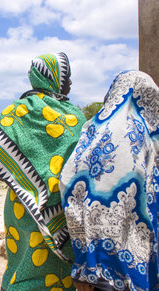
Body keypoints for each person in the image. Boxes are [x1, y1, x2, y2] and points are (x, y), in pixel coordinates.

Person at [0, 52, 86, 290]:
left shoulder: (17, 110)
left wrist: (23, 179)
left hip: (22, 204)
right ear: (55, 77)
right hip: (62, 208)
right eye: (67, 77)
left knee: (23, 258)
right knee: (57, 267)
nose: (70, 83)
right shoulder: (74, 117)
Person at [60, 70, 158, 291]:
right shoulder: (148, 135)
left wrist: (85, 258)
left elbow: (69, 180)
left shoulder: (93, 128)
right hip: (140, 261)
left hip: (96, 264)